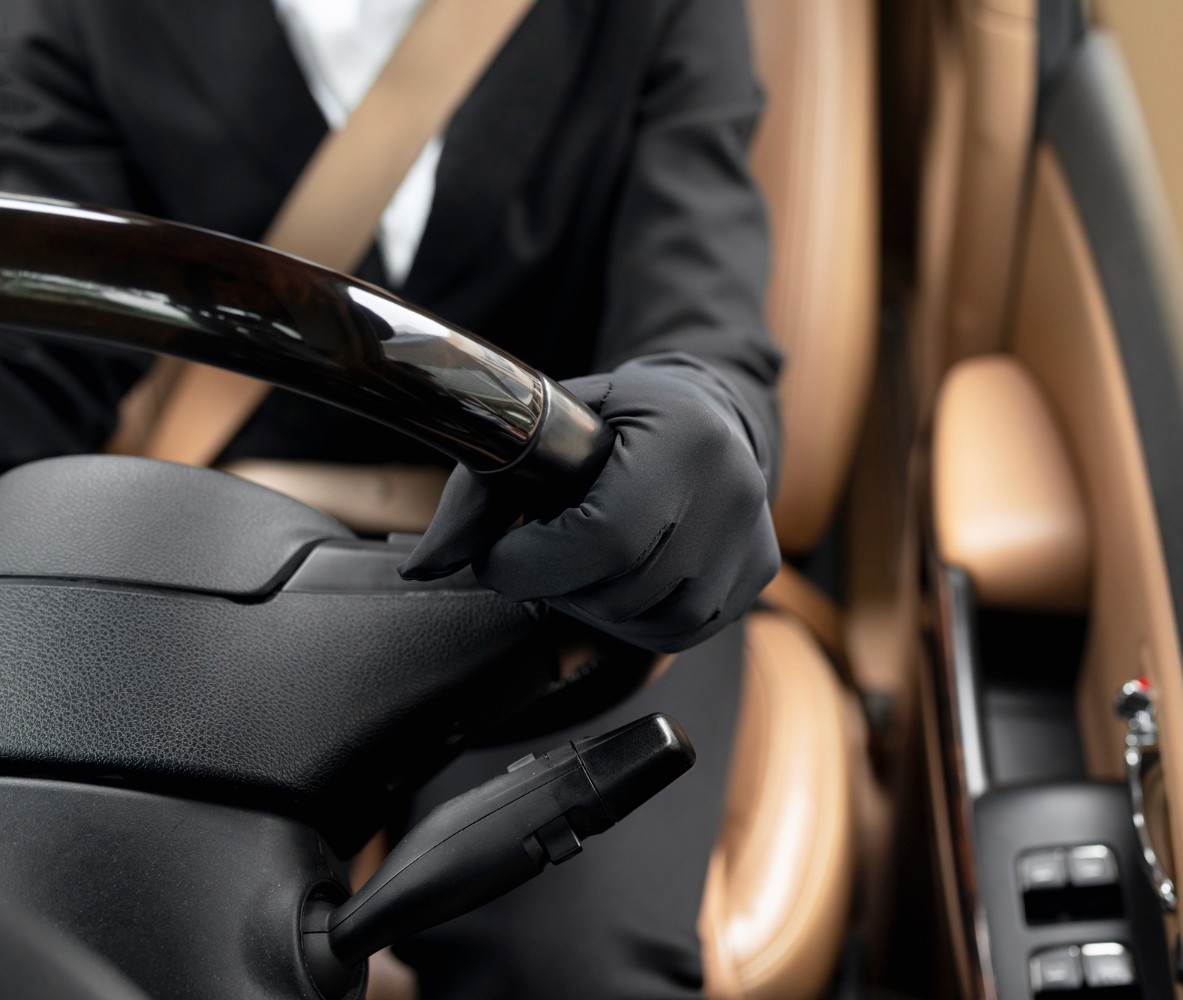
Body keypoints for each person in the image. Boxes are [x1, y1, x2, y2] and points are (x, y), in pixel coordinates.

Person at [0, 0, 781, 996]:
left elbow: (702, 303)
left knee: (563, 961)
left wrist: (697, 426)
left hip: (564, 566)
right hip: (205, 571)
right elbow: (31, 349)